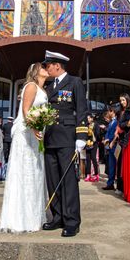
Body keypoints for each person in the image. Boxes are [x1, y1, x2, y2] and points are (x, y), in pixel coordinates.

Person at [0, 62, 49, 232]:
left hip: (37, 135)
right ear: (36, 72)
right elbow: (26, 111)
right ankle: (19, 219)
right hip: (27, 133)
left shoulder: (43, 90)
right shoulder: (31, 86)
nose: (46, 69)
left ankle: (33, 217)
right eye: (43, 68)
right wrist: (35, 127)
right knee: (24, 172)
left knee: (35, 173)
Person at [43, 50, 88, 238]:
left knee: (68, 181)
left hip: (67, 137)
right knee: (53, 179)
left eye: (48, 66)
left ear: (57, 65)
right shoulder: (48, 86)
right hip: (50, 138)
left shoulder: (74, 82)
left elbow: (82, 109)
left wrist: (81, 136)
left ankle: (71, 221)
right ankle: (57, 216)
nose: (46, 69)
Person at [114, 93, 130, 195]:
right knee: (119, 164)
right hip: (120, 140)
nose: (122, 102)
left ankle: (125, 187)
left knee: (126, 164)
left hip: (127, 138)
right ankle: (120, 186)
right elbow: (118, 125)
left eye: (124, 100)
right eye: (121, 100)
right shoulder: (120, 112)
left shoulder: (129, 111)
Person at [102, 108, 118, 191]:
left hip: (115, 145)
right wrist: (106, 139)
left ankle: (117, 184)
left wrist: (109, 139)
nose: (108, 113)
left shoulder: (116, 121)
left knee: (116, 166)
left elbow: (116, 133)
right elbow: (108, 133)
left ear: (113, 112)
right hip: (109, 146)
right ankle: (110, 183)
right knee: (111, 165)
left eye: (110, 111)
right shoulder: (111, 122)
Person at [84, 114, 100, 182]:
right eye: (87, 118)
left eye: (89, 118)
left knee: (93, 158)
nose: (88, 119)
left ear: (92, 118)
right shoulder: (86, 125)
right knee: (87, 159)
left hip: (94, 143)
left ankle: (96, 175)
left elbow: (98, 134)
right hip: (87, 143)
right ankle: (88, 175)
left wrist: (92, 133)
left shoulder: (96, 125)